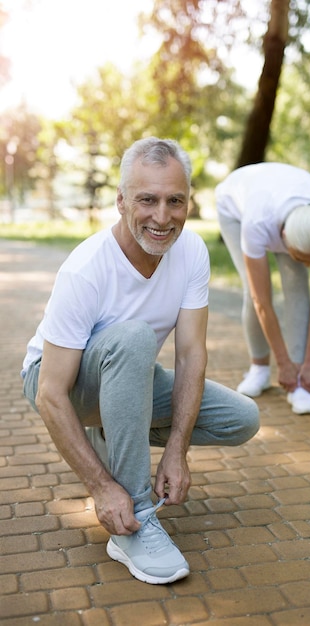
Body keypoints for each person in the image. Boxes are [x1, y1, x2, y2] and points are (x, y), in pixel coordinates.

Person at [21, 137, 259, 585]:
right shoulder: (86, 268)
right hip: (60, 384)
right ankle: (133, 523)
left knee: (242, 418)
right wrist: (100, 486)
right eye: (147, 200)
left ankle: (116, 424)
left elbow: (191, 355)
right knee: (134, 337)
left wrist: (177, 451)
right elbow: (50, 394)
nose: (162, 217)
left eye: (175, 201)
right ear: (121, 201)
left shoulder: (191, 253)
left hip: (128, 374)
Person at [215, 162, 310, 414]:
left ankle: (299, 383)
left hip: (288, 211)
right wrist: (280, 362)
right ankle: (259, 368)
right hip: (235, 210)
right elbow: (262, 301)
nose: (308, 265)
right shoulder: (257, 221)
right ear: (284, 239)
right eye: (302, 257)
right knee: (252, 291)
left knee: (297, 284)